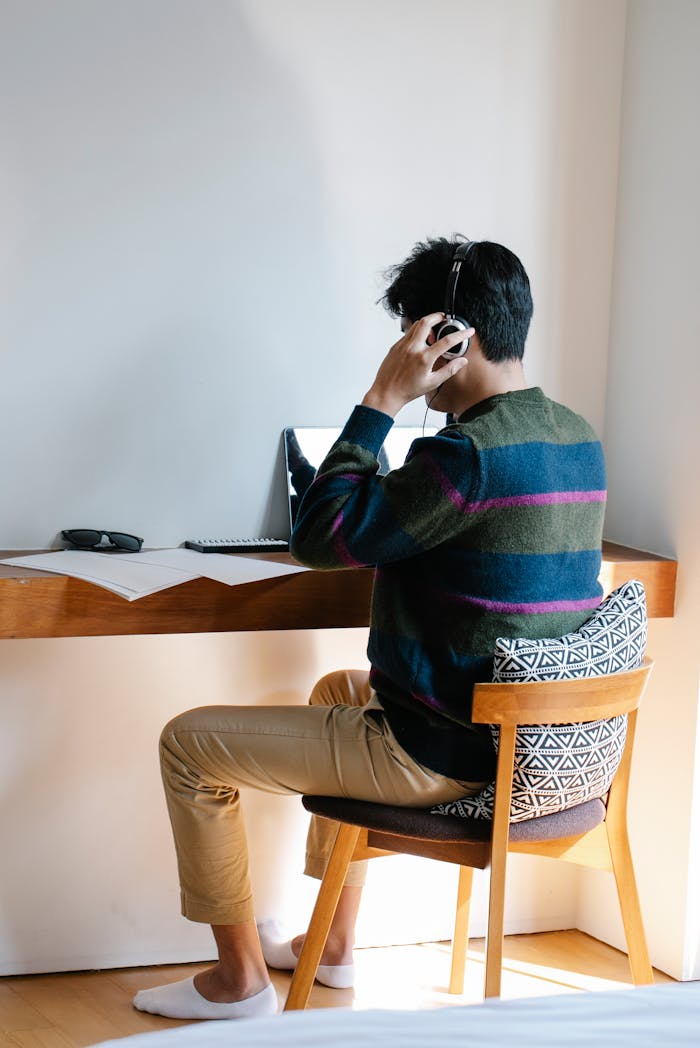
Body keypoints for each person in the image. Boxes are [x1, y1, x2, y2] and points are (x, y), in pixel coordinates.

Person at [134, 236, 606, 1021]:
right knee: (338, 689)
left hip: (447, 754)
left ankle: (237, 980)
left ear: (453, 336)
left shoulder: (466, 455)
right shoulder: (573, 434)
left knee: (188, 745)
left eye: (414, 333)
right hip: (529, 745)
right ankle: (340, 948)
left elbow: (319, 539)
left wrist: (382, 399)